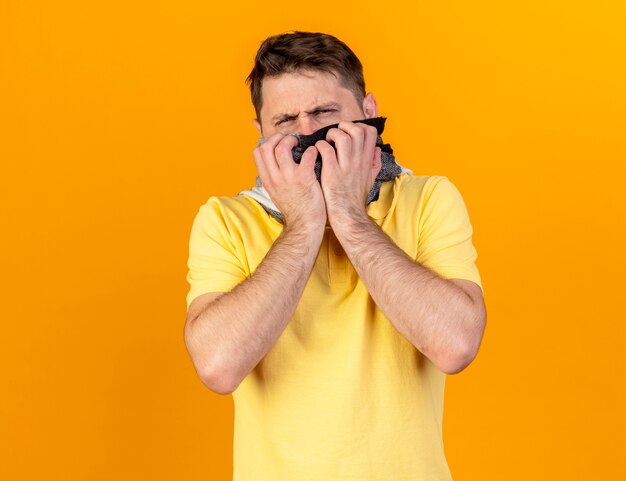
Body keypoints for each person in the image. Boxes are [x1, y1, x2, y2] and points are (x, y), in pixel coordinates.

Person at [184, 31, 487, 481]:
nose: (309, 133)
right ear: (260, 134)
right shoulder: (225, 220)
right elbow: (218, 366)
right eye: (286, 120)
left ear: (368, 112)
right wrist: (305, 223)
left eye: (325, 112)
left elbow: (456, 345)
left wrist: (347, 213)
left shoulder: (428, 199)